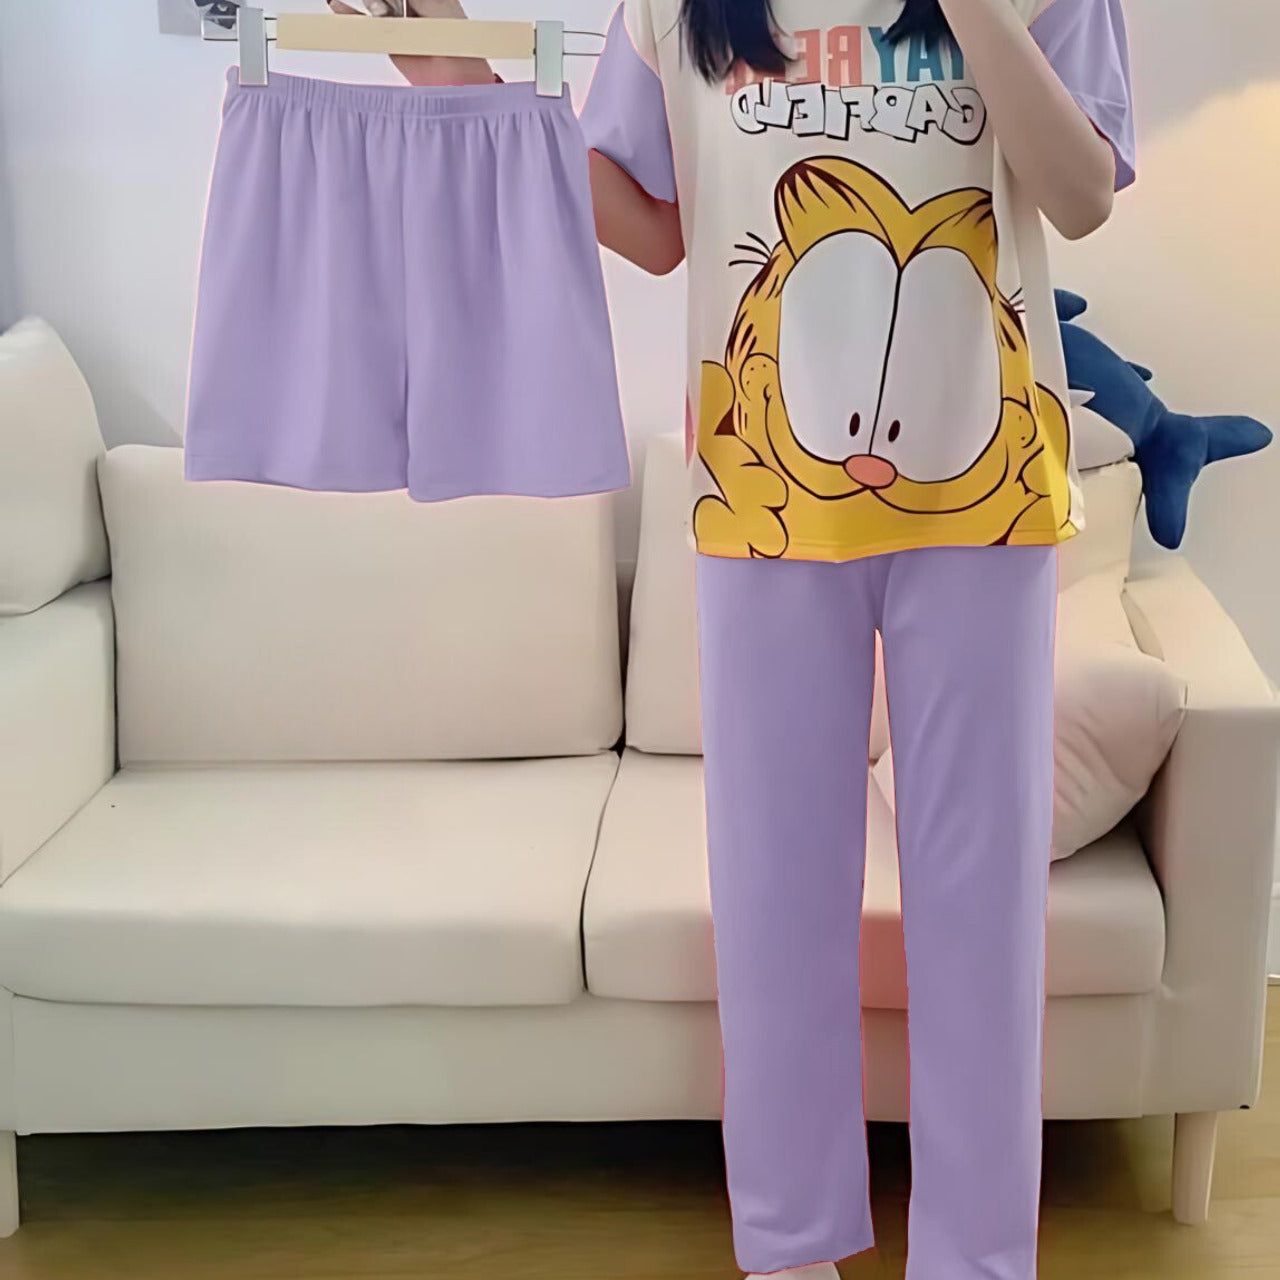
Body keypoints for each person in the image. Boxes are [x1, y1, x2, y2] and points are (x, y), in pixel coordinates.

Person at [332, 2, 1136, 1277]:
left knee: (980, 913)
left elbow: (1082, 194)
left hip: (985, 500)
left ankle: (976, 1258)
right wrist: (454, 74)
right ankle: (790, 1245)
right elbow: (653, 225)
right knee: (773, 900)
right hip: (761, 495)